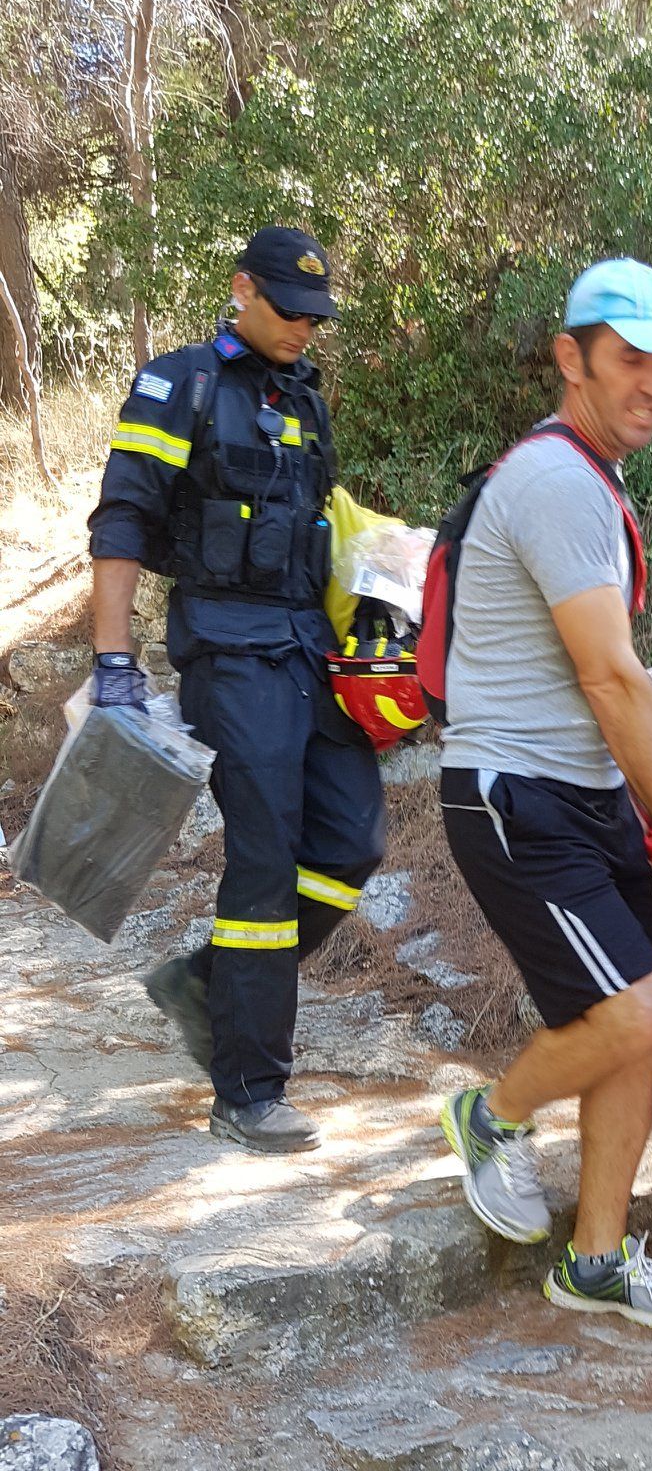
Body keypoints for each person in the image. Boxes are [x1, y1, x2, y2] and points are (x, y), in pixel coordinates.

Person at [437, 257, 652, 1331]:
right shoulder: (560, 481)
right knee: (637, 1008)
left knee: (632, 1027)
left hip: (577, 794)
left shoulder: (586, 481)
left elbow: (605, 674)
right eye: (631, 360)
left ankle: (596, 1260)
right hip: (521, 798)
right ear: (573, 358)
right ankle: (492, 1112)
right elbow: (608, 678)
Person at [88, 227, 384, 1154]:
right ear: (241, 290)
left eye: (316, 317)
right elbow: (124, 519)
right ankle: (249, 1089)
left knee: (352, 840)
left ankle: (209, 982)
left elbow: (325, 526)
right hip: (224, 647)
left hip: (305, 649)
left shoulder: (306, 401)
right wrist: (114, 662)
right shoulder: (181, 385)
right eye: (290, 311)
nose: (305, 328)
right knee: (266, 853)